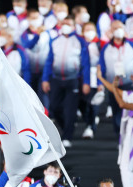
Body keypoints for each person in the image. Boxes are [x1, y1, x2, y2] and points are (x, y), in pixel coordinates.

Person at [42, 16, 91, 147]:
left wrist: (86, 82)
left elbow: (86, 63)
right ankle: (66, 127)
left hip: (73, 80)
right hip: (56, 79)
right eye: (64, 23)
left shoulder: (80, 42)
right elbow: (49, 61)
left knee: (70, 109)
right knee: (54, 107)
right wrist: (45, 79)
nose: (65, 26)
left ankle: (67, 136)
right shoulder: (55, 41)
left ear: (74, 27)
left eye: (68, 24)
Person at [99, 20, 133, 134]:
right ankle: (119, 135)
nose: (117, 31)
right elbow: (102, 67)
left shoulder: (132, 45)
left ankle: (129, 133)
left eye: (119, 28)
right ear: (110, 31)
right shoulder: (106, 48)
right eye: (114, 28)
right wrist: (100, 83)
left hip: (129, 84)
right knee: (116, 111)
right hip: (113, 85)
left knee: (129, 110)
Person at [21, 8, 53, 110]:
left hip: (43, 70)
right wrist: (37, 35)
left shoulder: (47, 33)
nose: (35, 20)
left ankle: (46, 117)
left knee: (43, 94)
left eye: (37, 18)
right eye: (32, 18)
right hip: (29, 71)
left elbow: (52, 50)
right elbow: (28, 45)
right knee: (29, 95)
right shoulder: (24, 34)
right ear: (28, 20)